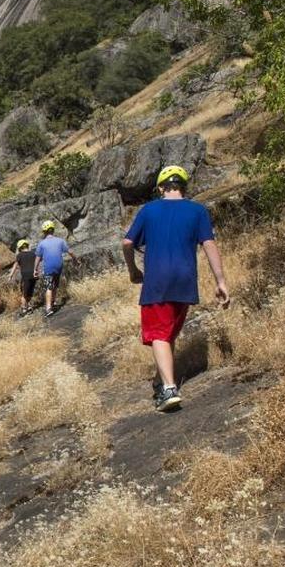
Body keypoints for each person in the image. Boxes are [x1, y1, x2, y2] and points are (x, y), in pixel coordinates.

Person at [122, 165, 230, 412]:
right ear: (183, 186)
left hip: (157, 280)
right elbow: (209, 244)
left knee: (158, 333)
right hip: (185, 280)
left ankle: (169, 389)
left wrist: (133, 271)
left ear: (161, 187)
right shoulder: (197, 210)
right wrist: (221, 281)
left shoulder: (148, 210)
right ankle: (163, 379)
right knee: (168, 331)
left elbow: (128, 242)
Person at [35, 220, 76, 317]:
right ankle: (53, 302)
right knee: (55, 285)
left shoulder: (42, 243)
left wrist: (35, 269)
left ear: (44, 232)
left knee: (49, 287)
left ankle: (48, 308)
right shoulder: (60, 240)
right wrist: (75, 259)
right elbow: (70, 251)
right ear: (53, 230)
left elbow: (38, 257)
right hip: (59, 267)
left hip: (48, 267)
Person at [9, 239, 38, 316]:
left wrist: (11, 274)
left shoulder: (20, 255)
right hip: (33, 275)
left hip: (25, 276)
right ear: (27, 245)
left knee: (24, 293)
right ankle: (28, 306)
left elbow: (15, 265)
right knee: (30, 292)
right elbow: (37, 262)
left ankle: (24, 308)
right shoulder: (33, 254)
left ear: (20, 248)